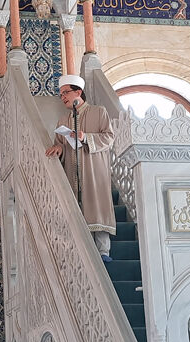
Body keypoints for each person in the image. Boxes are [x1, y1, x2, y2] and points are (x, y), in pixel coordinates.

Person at [45, 75, 116, 262]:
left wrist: (85, 137)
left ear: (78, 92)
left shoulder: (98, 112)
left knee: (97, 206)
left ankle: (103, 252)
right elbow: (60, 143)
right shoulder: (63, 120)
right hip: (73, 171)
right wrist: (58, 148)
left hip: (94, 169)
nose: (63, 97)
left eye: (66, 93)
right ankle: (83, 252)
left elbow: (109, 138)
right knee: (77, 208)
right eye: (61, 94)